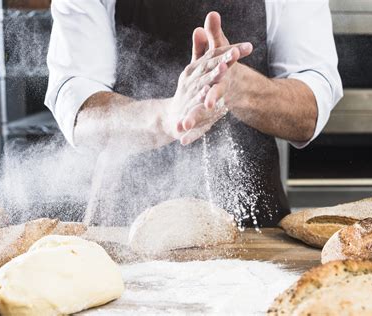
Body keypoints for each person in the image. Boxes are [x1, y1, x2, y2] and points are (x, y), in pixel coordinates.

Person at [45, 0, 343, 228]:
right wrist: (167, 116)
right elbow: (80, 111)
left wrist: (239, 88)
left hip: (252, 227)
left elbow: (309, 110)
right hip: (123, 226)